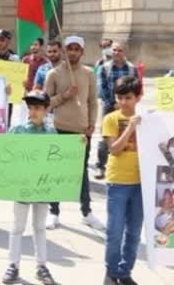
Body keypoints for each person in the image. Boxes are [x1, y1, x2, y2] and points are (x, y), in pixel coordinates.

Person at [44, 35, 105, 231]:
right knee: (56, 172)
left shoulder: (89, 73)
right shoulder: (53, 74)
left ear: (82, 52)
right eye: (69, 48)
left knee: (81, 173)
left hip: (81, 130)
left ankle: (86, 212)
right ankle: (53, 211)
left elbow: (93, 102)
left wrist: (92, 124)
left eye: (76, 49)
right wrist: (64, 96)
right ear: (64, 50)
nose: (73, 52)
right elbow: (45, 103)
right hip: (59, 128)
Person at [0, 91, 59, 285]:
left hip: (42, 186)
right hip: (22, 186)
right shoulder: (18, 130)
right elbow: (5, 152)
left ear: (46, 110)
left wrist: (78, 144)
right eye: (31, 108)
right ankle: (13, 265)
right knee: (18, 227)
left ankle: (41, 265)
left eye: (38, 108)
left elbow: (59, 156)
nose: (33, 112)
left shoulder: (51, 132)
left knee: (39, 227)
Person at [102, 76, 144, 285]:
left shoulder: (148, 119)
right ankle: (111, 270)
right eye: (120, 98)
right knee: (114, 231)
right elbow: (114, 149)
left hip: (141, 184)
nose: (123, 102)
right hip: (117, 182)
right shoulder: (111, 118)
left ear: (138, 97)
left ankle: (125, 270)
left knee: (134, 233)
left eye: (128, 98)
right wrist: (130, 128)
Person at [96, 42, 139, 180]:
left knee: (129, 135)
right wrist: (113, 103)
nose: (116, 53)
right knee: (105, 137)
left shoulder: (132, 69)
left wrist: (127, 103)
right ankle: (100, 166)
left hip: (127, 107)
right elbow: (101, 88)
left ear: (125, 52)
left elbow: (137, 87)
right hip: (109, 106)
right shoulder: (104, 68)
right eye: (114, 50)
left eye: (120, 50)